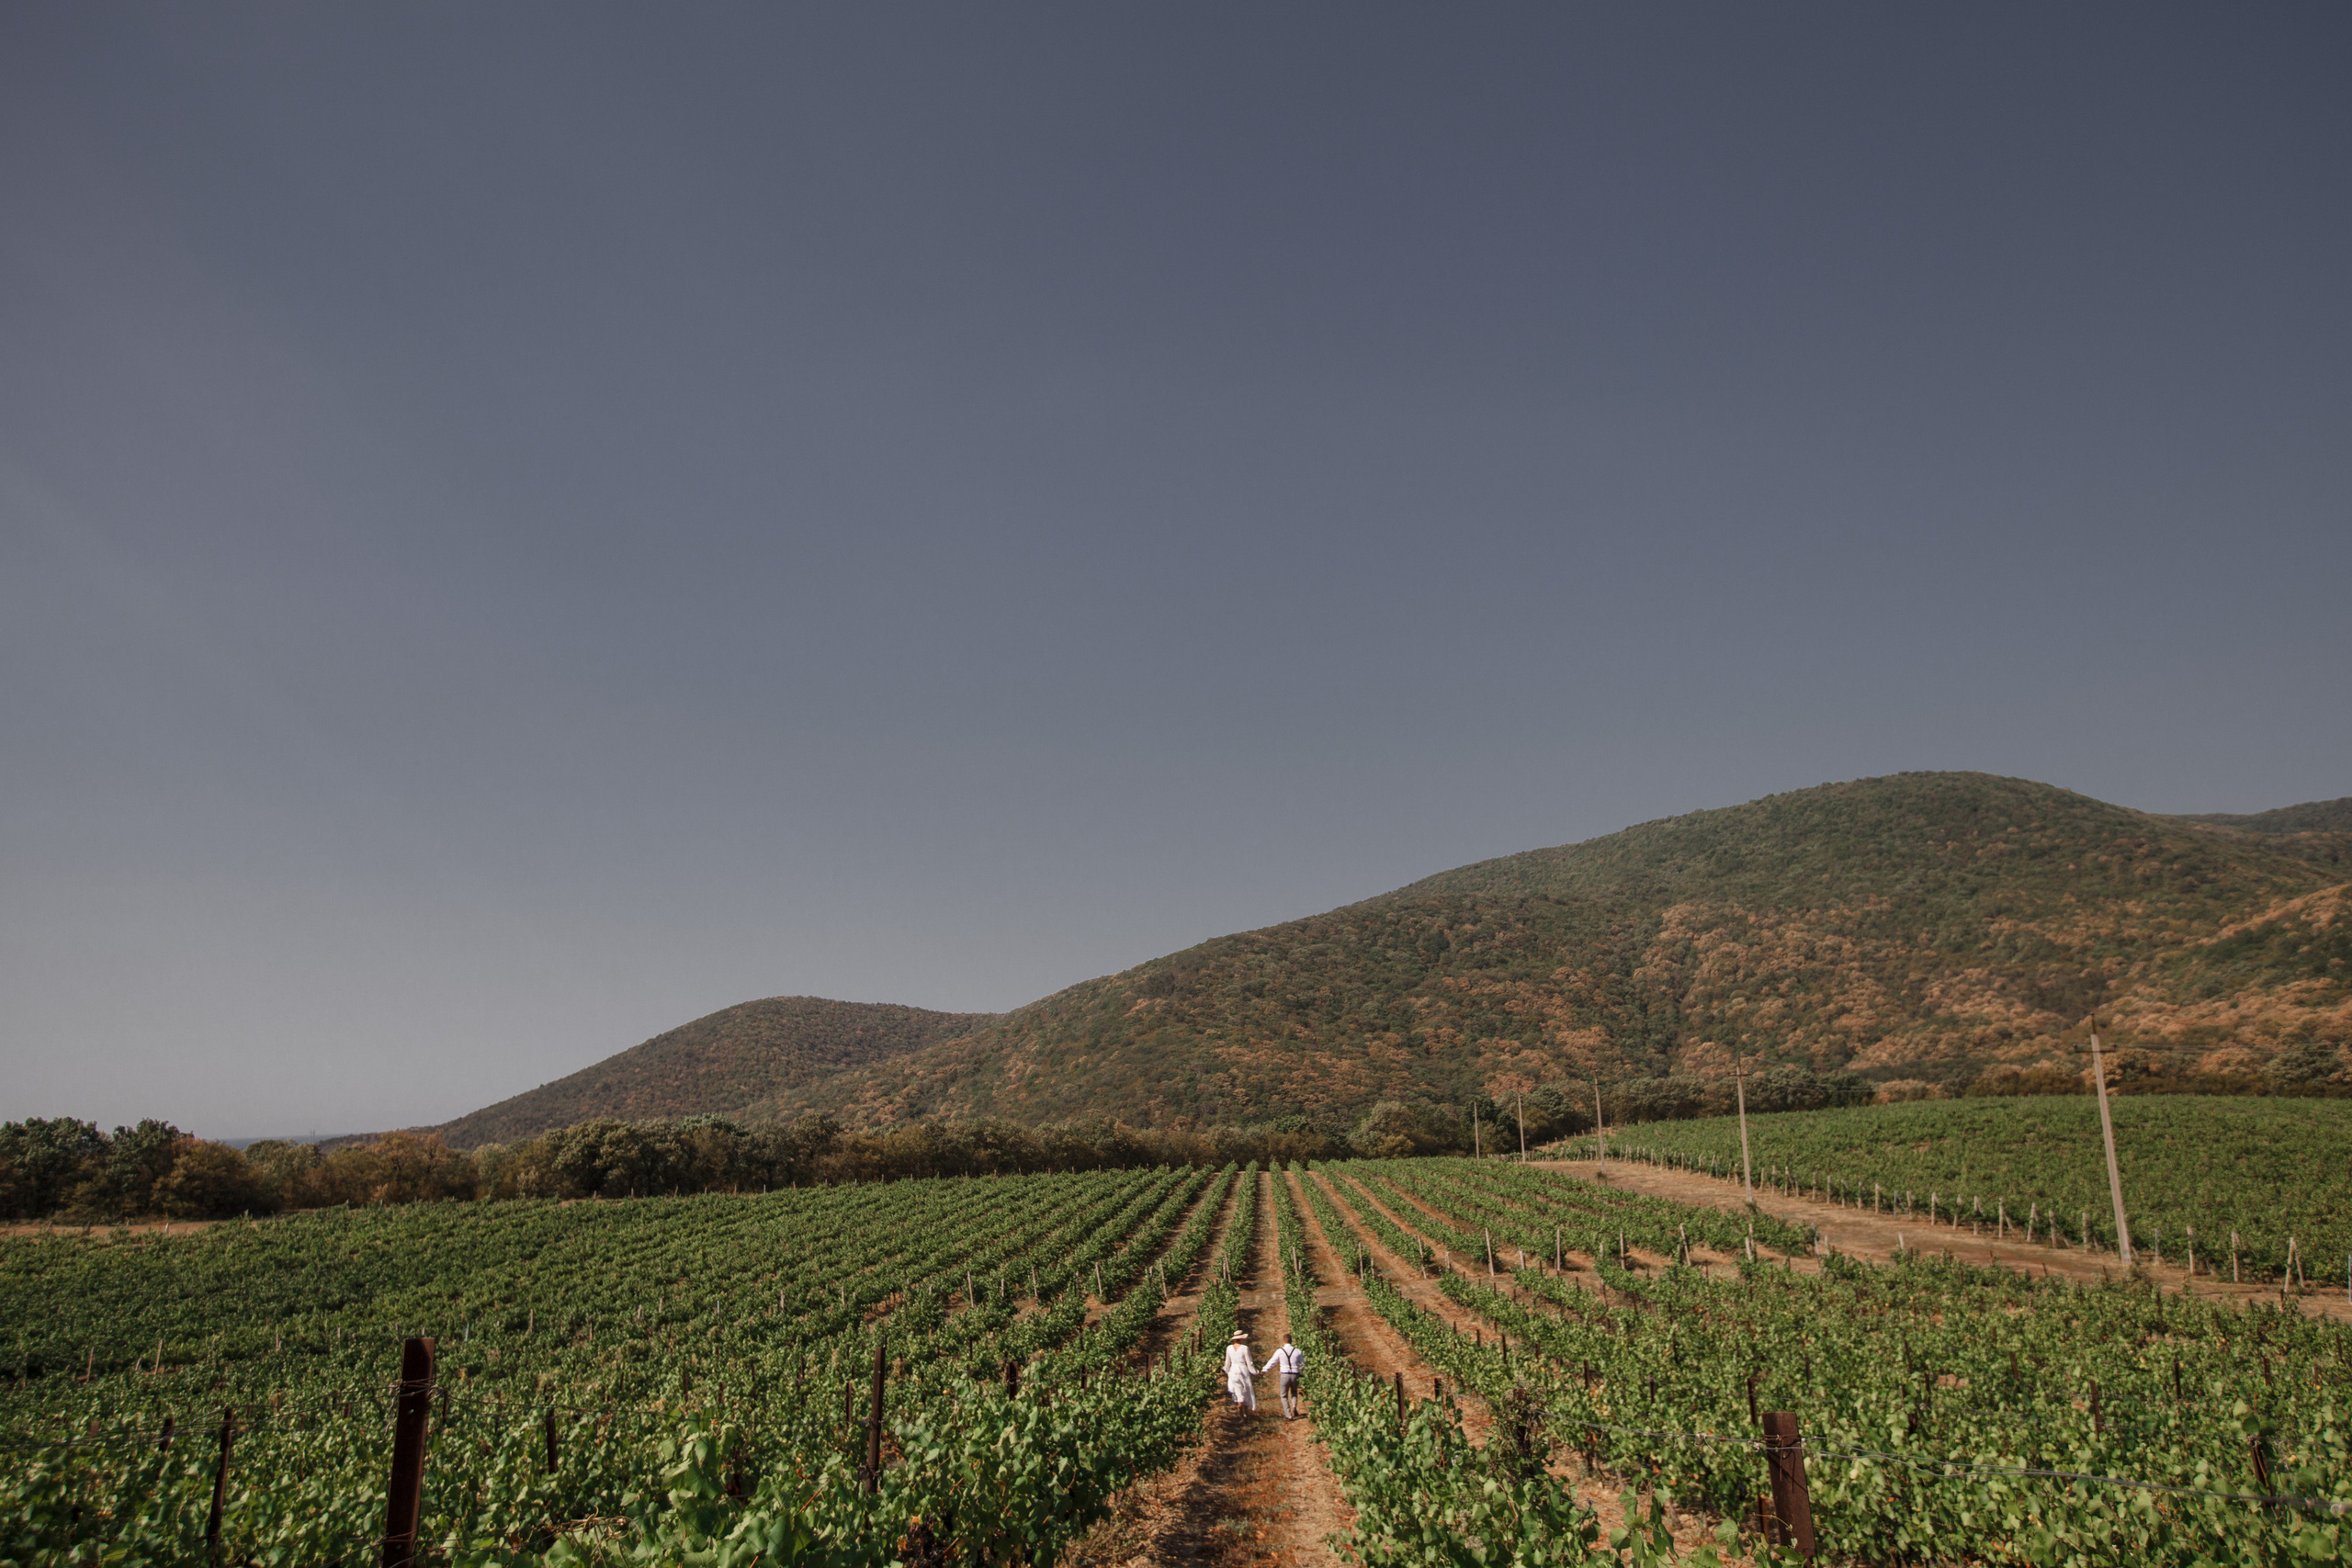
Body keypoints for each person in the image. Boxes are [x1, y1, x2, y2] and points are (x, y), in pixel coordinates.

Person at [1265, 1332, 1306, 1419]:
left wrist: (1264, 1370)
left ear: (1283, 1341)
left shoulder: (1280, 1351)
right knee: (1294, 1392)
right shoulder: (1297, 1351)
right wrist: (1302, 1373)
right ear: (1291, 1341)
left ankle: (1289, 1415)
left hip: (1284, 1374)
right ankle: (1294, 1406)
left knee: (1284, 1395)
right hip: (1295, 1374)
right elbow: (1302, 1364)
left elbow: (1272, 1362)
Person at [1221, 1330, 1261, 1412]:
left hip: (1233, 1370)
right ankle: (1245, 1411)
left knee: (1238, 1390)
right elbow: (1249, 1363)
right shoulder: (1245, 1348)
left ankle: (1241, 1413)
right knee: (1246, 1390)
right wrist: (1255, 1372)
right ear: (1241, 1339)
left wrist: (1225, 1370)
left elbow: (1227, 1363)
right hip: (1242, 1370)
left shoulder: (1229, 1348)